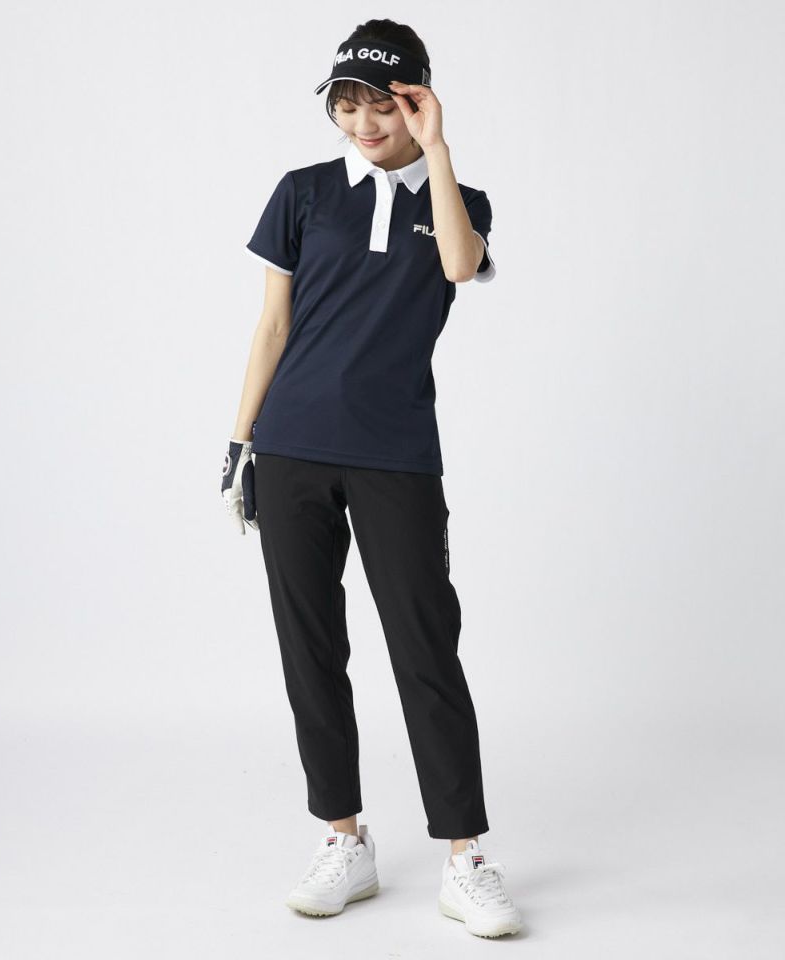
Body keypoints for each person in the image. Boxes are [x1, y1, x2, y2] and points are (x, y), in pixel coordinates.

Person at [221, 20, 522, 938]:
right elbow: (273, 327)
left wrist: (438, 150)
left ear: (415, 101)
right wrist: (240, 443)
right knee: (310, 647)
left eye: (380, 106)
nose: (361, 123)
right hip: (293, 448)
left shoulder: (459, 199)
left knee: (426, 647)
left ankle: (465, 858)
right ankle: (343, 839)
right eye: (346, 106)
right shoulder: (304, 193)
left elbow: (460, 266)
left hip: (396, 454)